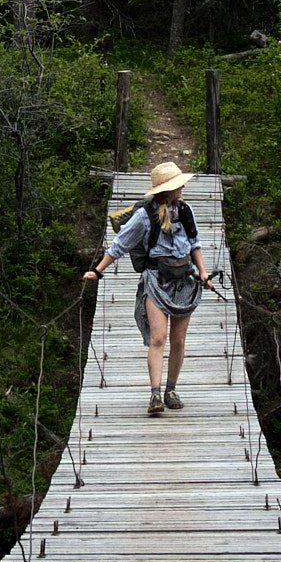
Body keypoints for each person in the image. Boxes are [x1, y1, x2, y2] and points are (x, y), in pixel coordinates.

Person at [83, 161, 214, 416]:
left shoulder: (185, 211)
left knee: (178, 340)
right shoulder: (144, 216)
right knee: (158, 338)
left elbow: (194, 244)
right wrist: (98, 271)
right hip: (155, 280)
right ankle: (155, 394)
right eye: (178, 185)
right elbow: (119, 245)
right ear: (168, 190)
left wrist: (204, 273)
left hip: (184, 281)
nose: (182, 187)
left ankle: (171, 390)